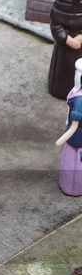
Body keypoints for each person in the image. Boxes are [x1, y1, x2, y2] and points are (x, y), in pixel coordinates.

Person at [48, 0, 82, 99]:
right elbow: (55, 24)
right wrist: (66, 39)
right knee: (64, 70)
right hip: (65, 47)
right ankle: (63, 91)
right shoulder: (60, 1)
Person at [54, 61, 82, 196]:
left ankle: (72, 188)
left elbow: (74, 125)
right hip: (75, 135)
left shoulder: (79, 100)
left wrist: (60, 140)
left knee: (74, 162)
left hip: (76, 137)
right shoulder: (76, 92)